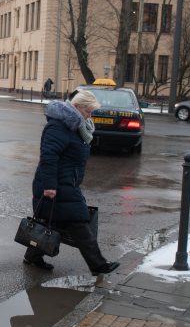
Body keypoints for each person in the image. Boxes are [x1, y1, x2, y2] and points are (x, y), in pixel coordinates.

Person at [24, 90, 120, 275]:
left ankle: (32, 257)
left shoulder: (77, 126)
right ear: (76, 107)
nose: (90, 116)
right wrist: (50, 186)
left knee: (51, 221)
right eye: (88, 111)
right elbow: (48, 157)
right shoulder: (59, 126)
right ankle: (99, 265)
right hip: (55, 183)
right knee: (78, 220)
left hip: (67, 182)